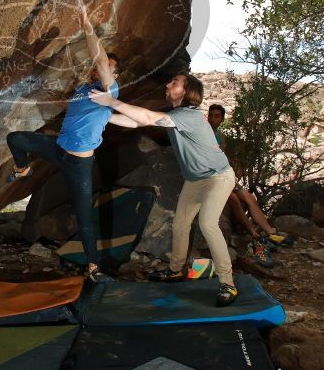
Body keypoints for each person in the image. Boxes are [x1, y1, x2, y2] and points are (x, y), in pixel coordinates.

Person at [89, 74, 240, 306]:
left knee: (208, 223)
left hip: (218, 177)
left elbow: (147, 116)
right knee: (180, 224)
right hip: (194, 180)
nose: (168, 84)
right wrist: (105, 115)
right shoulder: (174, 116)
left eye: (174, 82)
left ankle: (228, 282)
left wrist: (111, 102)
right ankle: (176, 269)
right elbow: (137, 121)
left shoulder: (189, 115)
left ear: (187, 91)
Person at [6, 0, 125, 283]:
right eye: (102, 66)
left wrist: (86, 26)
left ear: (115, 73)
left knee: (84, 217)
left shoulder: (111, 91)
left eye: (107, 66)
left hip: (79, 165)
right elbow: (79, 113)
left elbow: (98, 57)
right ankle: (22, 168)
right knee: (16, 139)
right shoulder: (87, 89)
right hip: (59, 149)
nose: (101, 68)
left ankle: (93, 268)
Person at [206, 105, 293, 257]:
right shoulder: (203, 134)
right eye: (211, 115)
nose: (213, 119)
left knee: (249, 197)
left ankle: (270, 232)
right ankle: (254, 234)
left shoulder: (221, 135)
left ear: (222, 119)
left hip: (224, 175)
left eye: (217, 116)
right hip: (210, 177)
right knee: (233, 199)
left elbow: (223, 158)